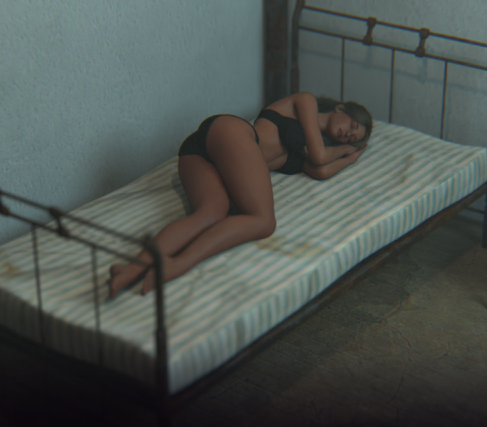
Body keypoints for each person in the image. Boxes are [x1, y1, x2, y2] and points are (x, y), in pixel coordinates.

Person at [108, 92, 373, 298]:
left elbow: (321, 171)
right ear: (340, 108)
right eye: (352, 125)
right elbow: (320, 157)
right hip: (230, 133)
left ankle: (131, 268)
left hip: (202, 153)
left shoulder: (308, 150)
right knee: (263, 221)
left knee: (212, 213)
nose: (348, 134)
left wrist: (351, 158)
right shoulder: (306, 102)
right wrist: (347, 150)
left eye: (352, 138)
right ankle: (179, 264)